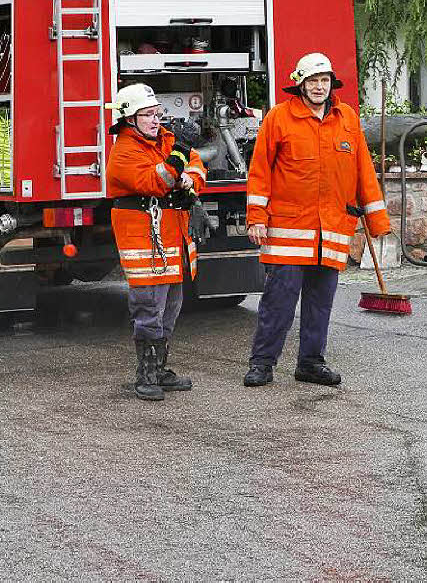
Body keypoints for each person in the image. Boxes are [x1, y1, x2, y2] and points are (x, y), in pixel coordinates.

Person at [243, 53, 390, 387]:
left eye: (324, 81)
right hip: (288, 231)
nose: (319, 87)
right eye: (313, 81)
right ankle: (262, 363)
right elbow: (260, 171)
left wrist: (378, 220)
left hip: (331, 231)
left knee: (319, 304)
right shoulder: (279, 118)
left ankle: (310, 363)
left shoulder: (347, 119)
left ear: (331, 84)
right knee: (278, 303)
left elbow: (363, 172)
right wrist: (256, 217)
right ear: (300, 84)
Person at [105, 83, 207, 402]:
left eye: (155, 113)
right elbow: (157, 181)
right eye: (146, 115)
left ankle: (160, 368)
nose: (154, 119)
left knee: (172, 304)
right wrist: (178, 159)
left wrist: (192, 181)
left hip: (170, 233)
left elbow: (194, 163)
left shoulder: (163, 139)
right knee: (149, 305)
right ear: (128, 120)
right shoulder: (123, 152)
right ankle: (146, 372)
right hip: (142, 236)